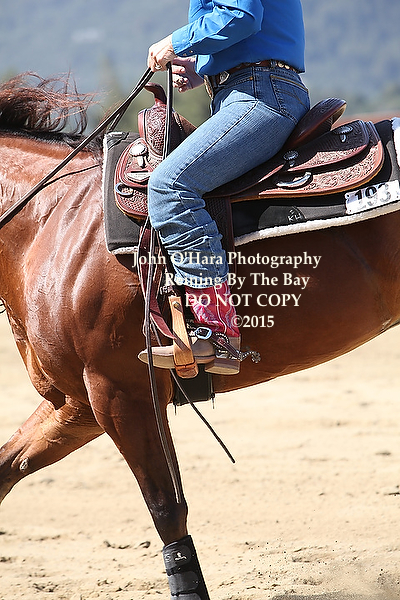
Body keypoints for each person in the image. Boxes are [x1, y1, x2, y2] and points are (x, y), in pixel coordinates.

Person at [139, 0, 310, 375]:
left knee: (170, 185)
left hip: (259, 92)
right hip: (252, 87)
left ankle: (216, 331)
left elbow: (241, 15)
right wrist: (203, 65)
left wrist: (176, 42)